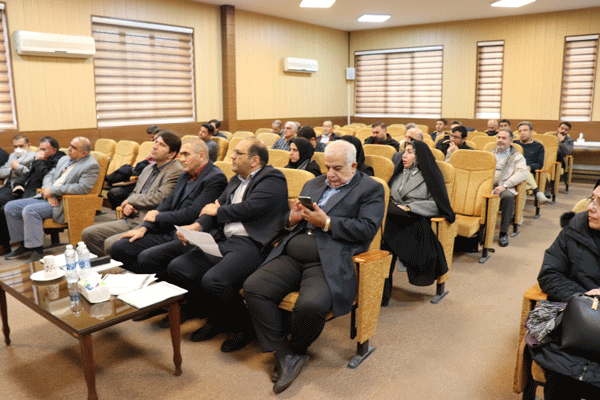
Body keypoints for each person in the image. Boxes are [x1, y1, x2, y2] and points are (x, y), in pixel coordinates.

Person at [243, 139, 385, 394]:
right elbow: (290, 222)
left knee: (311, 305)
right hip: (291, 254)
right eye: (327, 167)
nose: (330, 174)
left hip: (328, 260)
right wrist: (292, 218)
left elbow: (366, 229)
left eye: (337, 168)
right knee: (253, 287)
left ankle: (297, 348)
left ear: (353, 166)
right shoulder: (313, 183)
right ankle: (285, 354)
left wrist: (327, 222)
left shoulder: (370, 189)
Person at [132, 138, 289, 353]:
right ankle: (218, 317)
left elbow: (252, 207)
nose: (231, 156)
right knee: (180, 267)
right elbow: (210, 212)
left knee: (215, 280)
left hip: (253, 243)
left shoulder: (272, 178)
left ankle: (244, 326)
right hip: (225, 239)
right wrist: (196, 227)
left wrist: (219, 211)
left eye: (238, 153)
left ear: (254, 160)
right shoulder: (235, 181)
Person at [109, 138, 227, 274]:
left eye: (186, 154)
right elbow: (168, 202)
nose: (182, 159)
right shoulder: (185, 175)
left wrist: (157, 217)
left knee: (146, 257)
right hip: (168, 228)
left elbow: (193, 213)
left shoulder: (215, 178)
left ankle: (157, 282)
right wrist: (144, 227)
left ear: (201, 156)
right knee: (119, 247)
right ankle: (144, 280)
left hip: (187, 234)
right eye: (181, 154)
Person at [530, 180, 600, 400]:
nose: (591, 207)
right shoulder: (576, 227)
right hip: (575, 326)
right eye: (593, 199)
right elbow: (549, 274)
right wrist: (583, 299)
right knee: (560, 379)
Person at [82, 131, 183, 256]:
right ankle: (114, 262)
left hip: (148, 223)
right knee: (88, 234)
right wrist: (128, 204)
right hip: (130, 218)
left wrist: (130, 200)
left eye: (162, 145)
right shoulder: (148, 168)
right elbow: (134, 192)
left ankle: (118, 262)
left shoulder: (175, 171)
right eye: (156, 142)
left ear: (171, 154)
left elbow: (160, 198)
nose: (155, 146)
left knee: (110, 243)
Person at [381, 140, 455, 305]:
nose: (404, 156)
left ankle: (382, 293)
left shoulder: (430, 175)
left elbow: (438, 204)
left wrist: (409, 207)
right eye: (404, 151)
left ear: (419, 156)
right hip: (394, 218)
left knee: (383, 232)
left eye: (409, 152)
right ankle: (382, 292)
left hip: (414, 222)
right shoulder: (399, 173)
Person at [4, 137, 99, 262]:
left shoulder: (91, 165)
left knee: (30, 210)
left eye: (73, 147)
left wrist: (53, 191)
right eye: (70, 145)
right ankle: (25, 244)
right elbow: (49, 175)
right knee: (11, 207)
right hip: (48, 196)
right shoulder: (64, 159)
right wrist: (48, 191)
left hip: (64, 202)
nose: (69, 149)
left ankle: (37, 250)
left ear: (84, 153)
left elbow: (82, 188)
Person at [0, 137, 65, 255]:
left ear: (54, 150)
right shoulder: (38, 158)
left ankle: (15, 245)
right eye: (40, 149)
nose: (41, 152)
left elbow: (46, 176)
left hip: (37, 192)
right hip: (25, 189)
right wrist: (19, 184)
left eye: (44, 149)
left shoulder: (58, 159)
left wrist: (38, 162)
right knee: (8, 207)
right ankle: (23, 243)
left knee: (5, 207)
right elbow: (27, 175)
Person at [490, 129, 527, 247]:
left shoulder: (517, 156)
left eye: (504, 138)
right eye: (498, 137)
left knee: (508, 198)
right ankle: (479, 230)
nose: (500, 140)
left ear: (511, 141)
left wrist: (504, 186)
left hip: (504, 186)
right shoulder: (489, 154)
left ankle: (503, 233)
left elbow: (522, 173)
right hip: (486, 185)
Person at [514, 121, 550, 205]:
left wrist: (530, 167)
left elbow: (539, 165)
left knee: (522, 182)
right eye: (520, 131)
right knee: (522, 170)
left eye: (525, 130)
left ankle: (518, 212)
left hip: (529, 173)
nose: (522, 133)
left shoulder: (538, 146)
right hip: (514, 171)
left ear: (531, 132)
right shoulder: (515, 144)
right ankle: (537, 192)